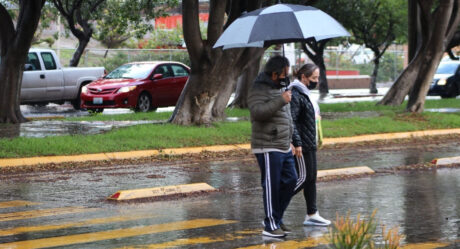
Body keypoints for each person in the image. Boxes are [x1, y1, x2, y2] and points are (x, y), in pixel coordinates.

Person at [248, 55, 298, 238]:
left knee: (291, 180)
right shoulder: (258, 89)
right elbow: (258, 113)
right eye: (285, 73)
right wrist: (281, 100)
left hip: (283, 144)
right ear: (275, 73)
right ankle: (270, 225)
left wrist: (290, 140)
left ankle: (276, 217)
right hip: (267, 145)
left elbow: (285, 119)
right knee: (271, 185)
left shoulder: (280, 88)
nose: (288, 76)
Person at [289, 63, 331, 226]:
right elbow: (290, 120)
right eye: (313, 78)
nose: (317, 81)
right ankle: (276, 204)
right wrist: (296, 142)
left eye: (318, 77)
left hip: (309, 142)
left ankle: (312, 214)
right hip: (301, 145)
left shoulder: (305, 93)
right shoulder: (295, 93)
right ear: (303, 77)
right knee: (303, 178)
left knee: (311, 178)